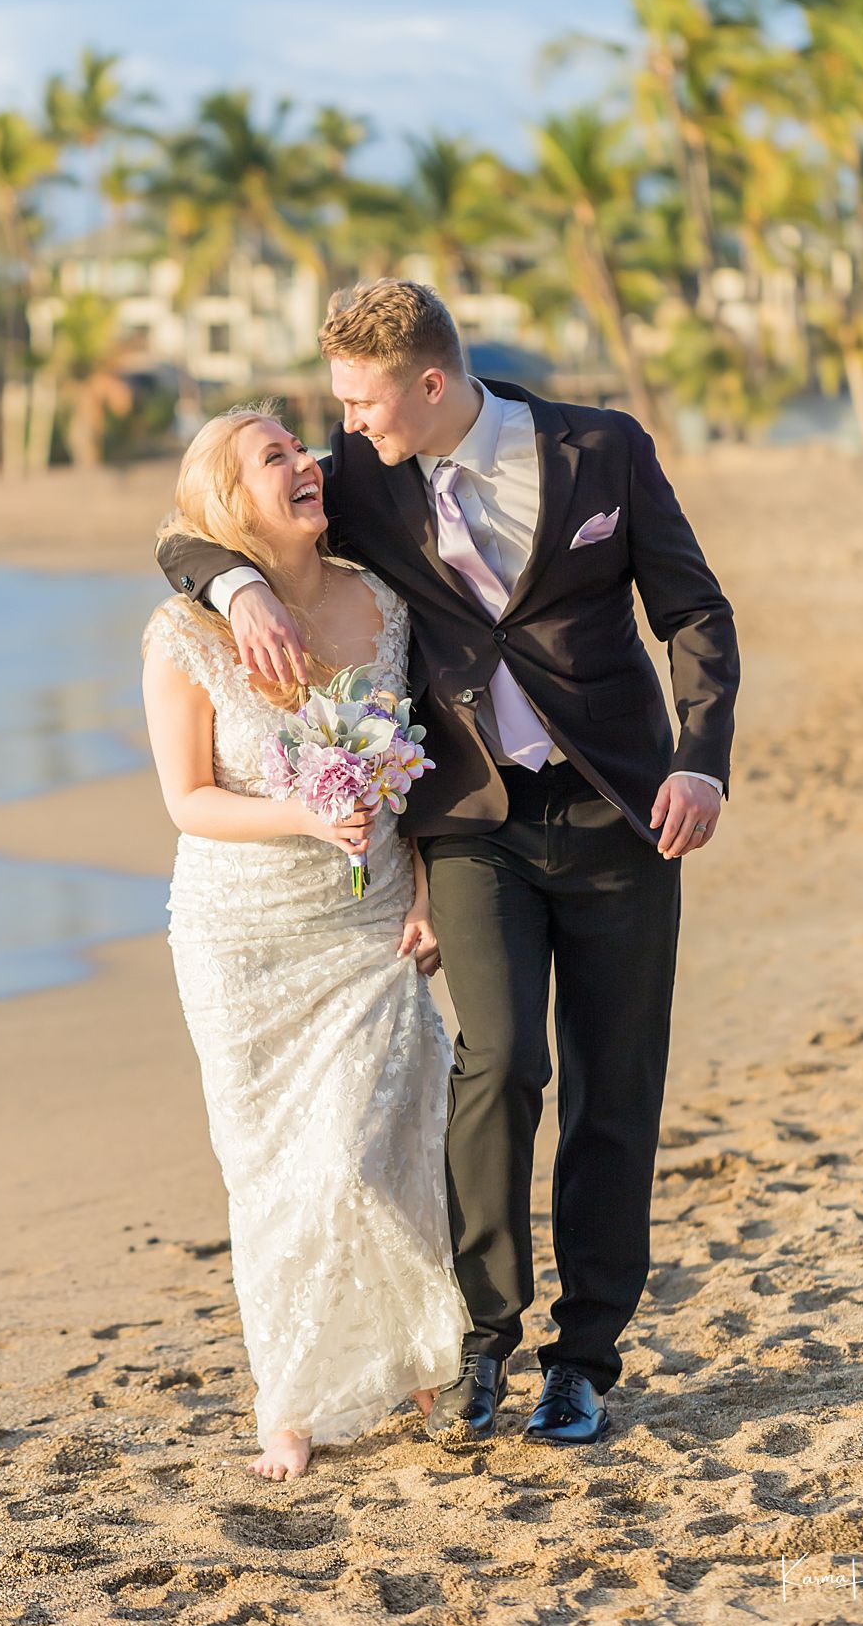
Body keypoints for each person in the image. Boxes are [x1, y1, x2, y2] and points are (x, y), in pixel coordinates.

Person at [156, 280, 740, 1450]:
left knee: (615, 1090)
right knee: (502, 1058)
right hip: (474, 824)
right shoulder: (363, 476)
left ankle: (584, 1361)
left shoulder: (601, 450)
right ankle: (484, 1343)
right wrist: (237, 581)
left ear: (431, 384)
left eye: (363, 402)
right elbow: (196, 527)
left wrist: (701, 761)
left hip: (625, 811)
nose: (346, 426)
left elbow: (695, 611)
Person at [141, 403, 469, 1483]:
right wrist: (301, 811)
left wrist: (422, 882)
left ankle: (429, 1361)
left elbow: (414, 758)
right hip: (241, 934)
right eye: (273, 456)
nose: (306, 462)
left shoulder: (379, 599)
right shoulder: (184, 633)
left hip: (369, 917)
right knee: (272, 1169)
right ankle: (288, 1399)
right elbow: (188, 799)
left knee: (376, 1144)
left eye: (302, 447)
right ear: (232, 501)